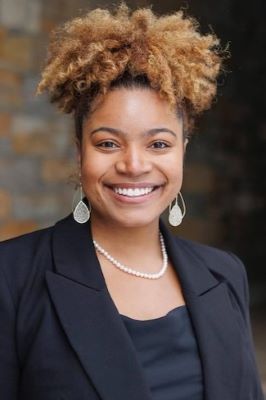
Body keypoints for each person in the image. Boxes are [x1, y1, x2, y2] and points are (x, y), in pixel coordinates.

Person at [0, 3, 264, 400]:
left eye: (158, 143)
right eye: (108, 143)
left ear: (183, 151)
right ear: (79, 153)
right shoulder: (12, 278)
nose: (134, 165)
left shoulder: (225, 275)